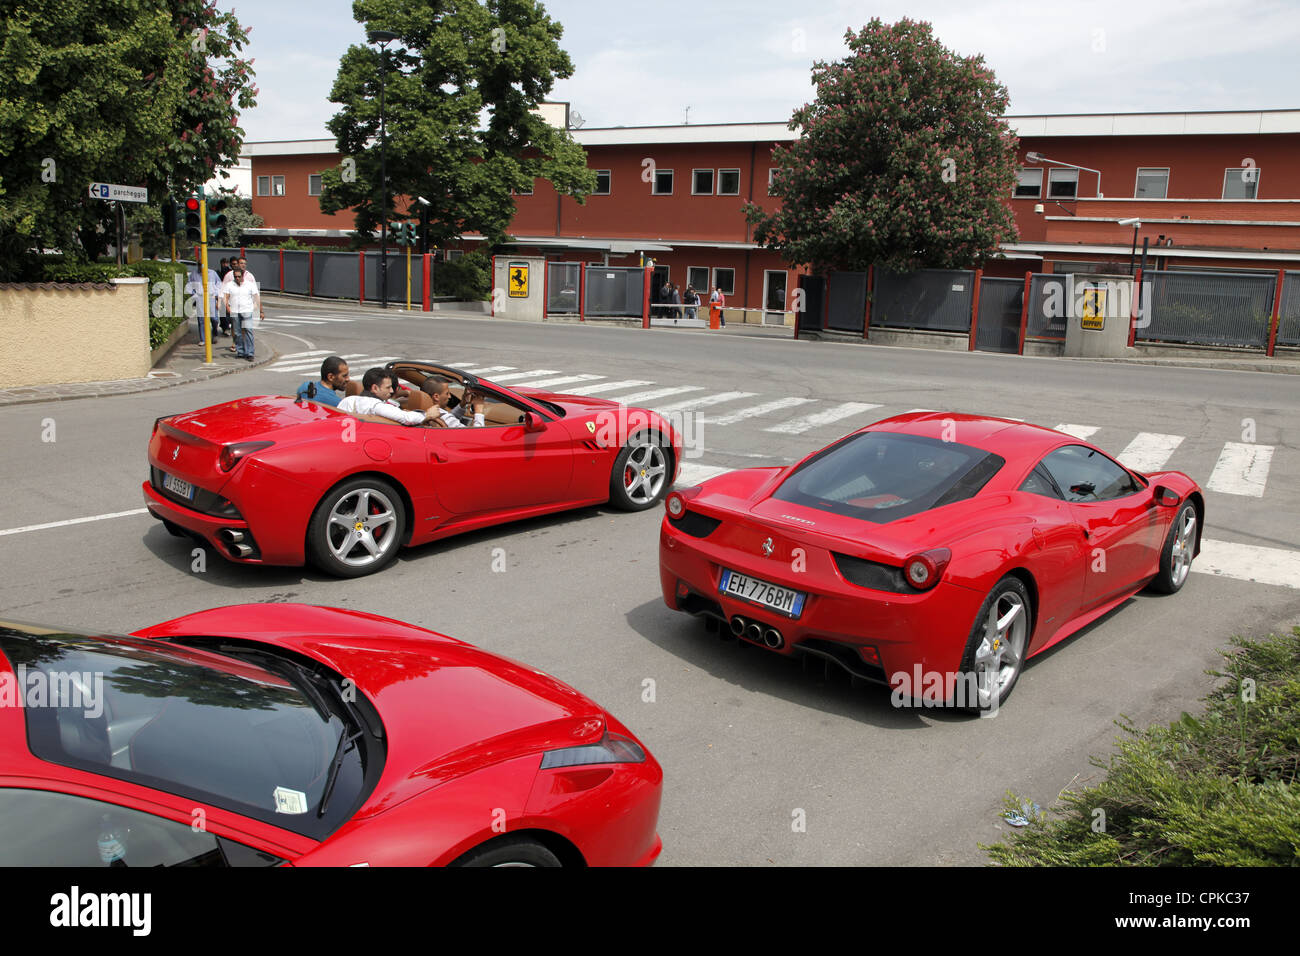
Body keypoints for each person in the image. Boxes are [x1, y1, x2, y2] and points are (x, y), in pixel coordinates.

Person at [337, 368, 438, 425]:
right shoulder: (376, 406)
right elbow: (407, 418)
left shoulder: (347, 400)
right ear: (375, 388)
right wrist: (427, 415)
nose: (392, 391)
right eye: (388, 387)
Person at [221, 263, 263, 361]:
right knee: (237, 333)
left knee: (248, 331)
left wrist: (261, 311)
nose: (237, 278)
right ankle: (240, 352)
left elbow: (257, 298)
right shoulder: (229, 285)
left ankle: (250, 353)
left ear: (242, 275)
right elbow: (226, 297)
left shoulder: (250, 285)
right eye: (235, 277)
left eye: (239, 276)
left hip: (247, 311)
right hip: (235, 311)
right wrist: (227, 307)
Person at [422, 378, 486, 428]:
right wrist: (478, 411)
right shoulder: (442, 417)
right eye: (447, 393)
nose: (449, 396)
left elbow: (450, 419)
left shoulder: (422, 409)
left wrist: (462, 404)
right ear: (436, 397)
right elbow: (474, 436)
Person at [185, 262, 220, 345]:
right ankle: (203, 339)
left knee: (214, 318)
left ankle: (214, 332)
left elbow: (219, 284)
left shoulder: (212, 273)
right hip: (200, 298)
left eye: (202, 264)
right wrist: (194, 294)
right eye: (199, 265)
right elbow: (189, 285)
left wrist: (216, 295)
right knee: (201, 320)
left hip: (211, 297)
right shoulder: (194, 274)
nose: (201, 266)